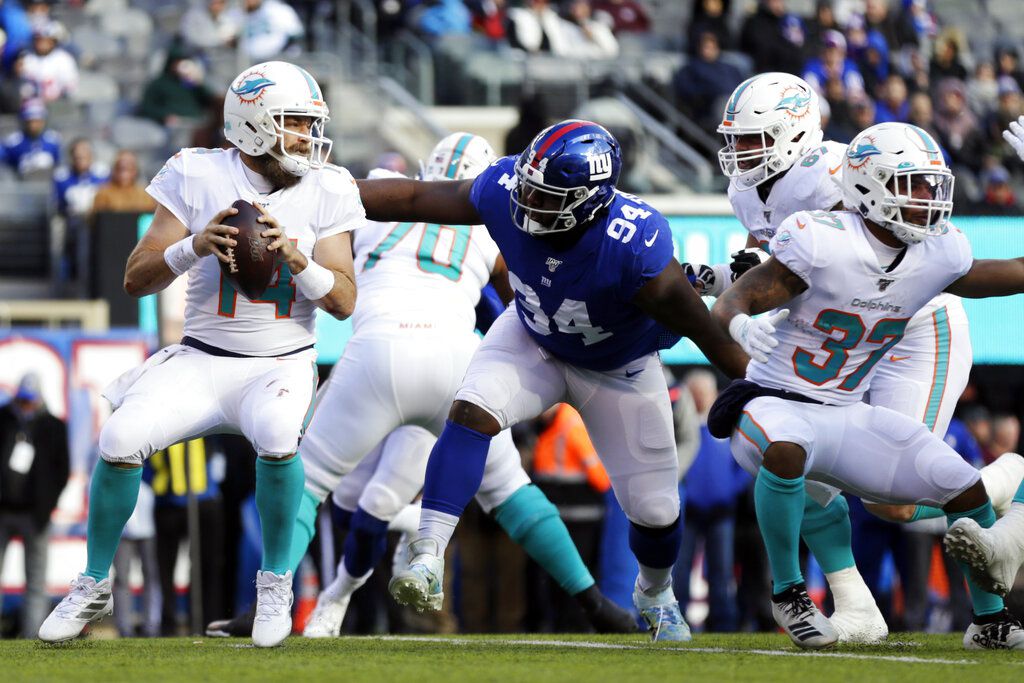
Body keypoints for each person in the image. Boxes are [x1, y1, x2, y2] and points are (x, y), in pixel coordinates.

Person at [204, 133, 636, 639]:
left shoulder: (384, 190)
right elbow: (522, 305)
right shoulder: (494, 223)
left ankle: (268, 606)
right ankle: (594, 603)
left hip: (378, 351)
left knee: (306, 482)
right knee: (510, 490)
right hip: (455, 359)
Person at [354, 119, 750, 641]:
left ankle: (655, 592)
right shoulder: (503, 191)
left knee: (655, 511)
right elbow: (412, 199)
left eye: (547, 198)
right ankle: (427, 554)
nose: (528, 205)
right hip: (533, 337)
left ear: (590, 201)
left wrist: (756, 387)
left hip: (619, 369)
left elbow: (706, 330)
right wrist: (332, 192)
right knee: (472, 408)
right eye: (529, 189)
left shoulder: (634, 243)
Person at [37, 60, 365, 648]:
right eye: (293, 124)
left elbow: (343, 300)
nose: (306, 139)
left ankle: (276, 580)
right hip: (200, 356)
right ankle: (92, 582)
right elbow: (135, 279)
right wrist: (193, 245)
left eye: (308, 125)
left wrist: (299, 261)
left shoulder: (330, 184)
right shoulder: (196, 173)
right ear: (254, 123)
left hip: (281, 361)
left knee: (276, 434)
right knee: (118, 439)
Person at [711, 120, 1024, 650]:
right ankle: (789, 593)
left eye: (932, 185)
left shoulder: (937, 252)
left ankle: (990, 621)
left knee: (960, 484)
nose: (928, 198)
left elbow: (1018, 270)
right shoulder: (820, 238)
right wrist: (738, 322)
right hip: (772, 401)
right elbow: (736, 297)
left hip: (844, 411)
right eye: (912, 185)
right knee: (788, 451)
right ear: (867, 187)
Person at [673, 370, 749, 632]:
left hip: (722, 511)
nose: (700, 398)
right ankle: (679, 617)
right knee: (680, 568)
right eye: (695, 392)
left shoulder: (725, 427)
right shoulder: (682, 426)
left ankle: (724, 622)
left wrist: (730, 490)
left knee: (722, 570)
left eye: (704, 392)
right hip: (689, 511)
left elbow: (743, 463)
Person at [0, 373, 69, 638]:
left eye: (30, 400)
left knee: (36, 580)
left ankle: (31, 636)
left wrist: (47, 505)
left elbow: (62, 470)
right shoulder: (4, 420)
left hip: (35, 514)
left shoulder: (53, 426)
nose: (26, 406)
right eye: (22, 400)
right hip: (3, 510)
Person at [1, 98, 59, 177]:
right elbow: (5, 167)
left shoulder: (53, 140)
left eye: (37, 121)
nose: (33, 125)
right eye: (30, 121)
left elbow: (58, 165)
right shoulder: (13, 142)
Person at [90, 150, 157, 215]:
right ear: (114, 170)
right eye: (120, 168)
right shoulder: (103, 193)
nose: (124, 174)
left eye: (128, 169)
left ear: (135, 171)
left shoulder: (145, 195)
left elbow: (150, 218)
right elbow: (96, 219)